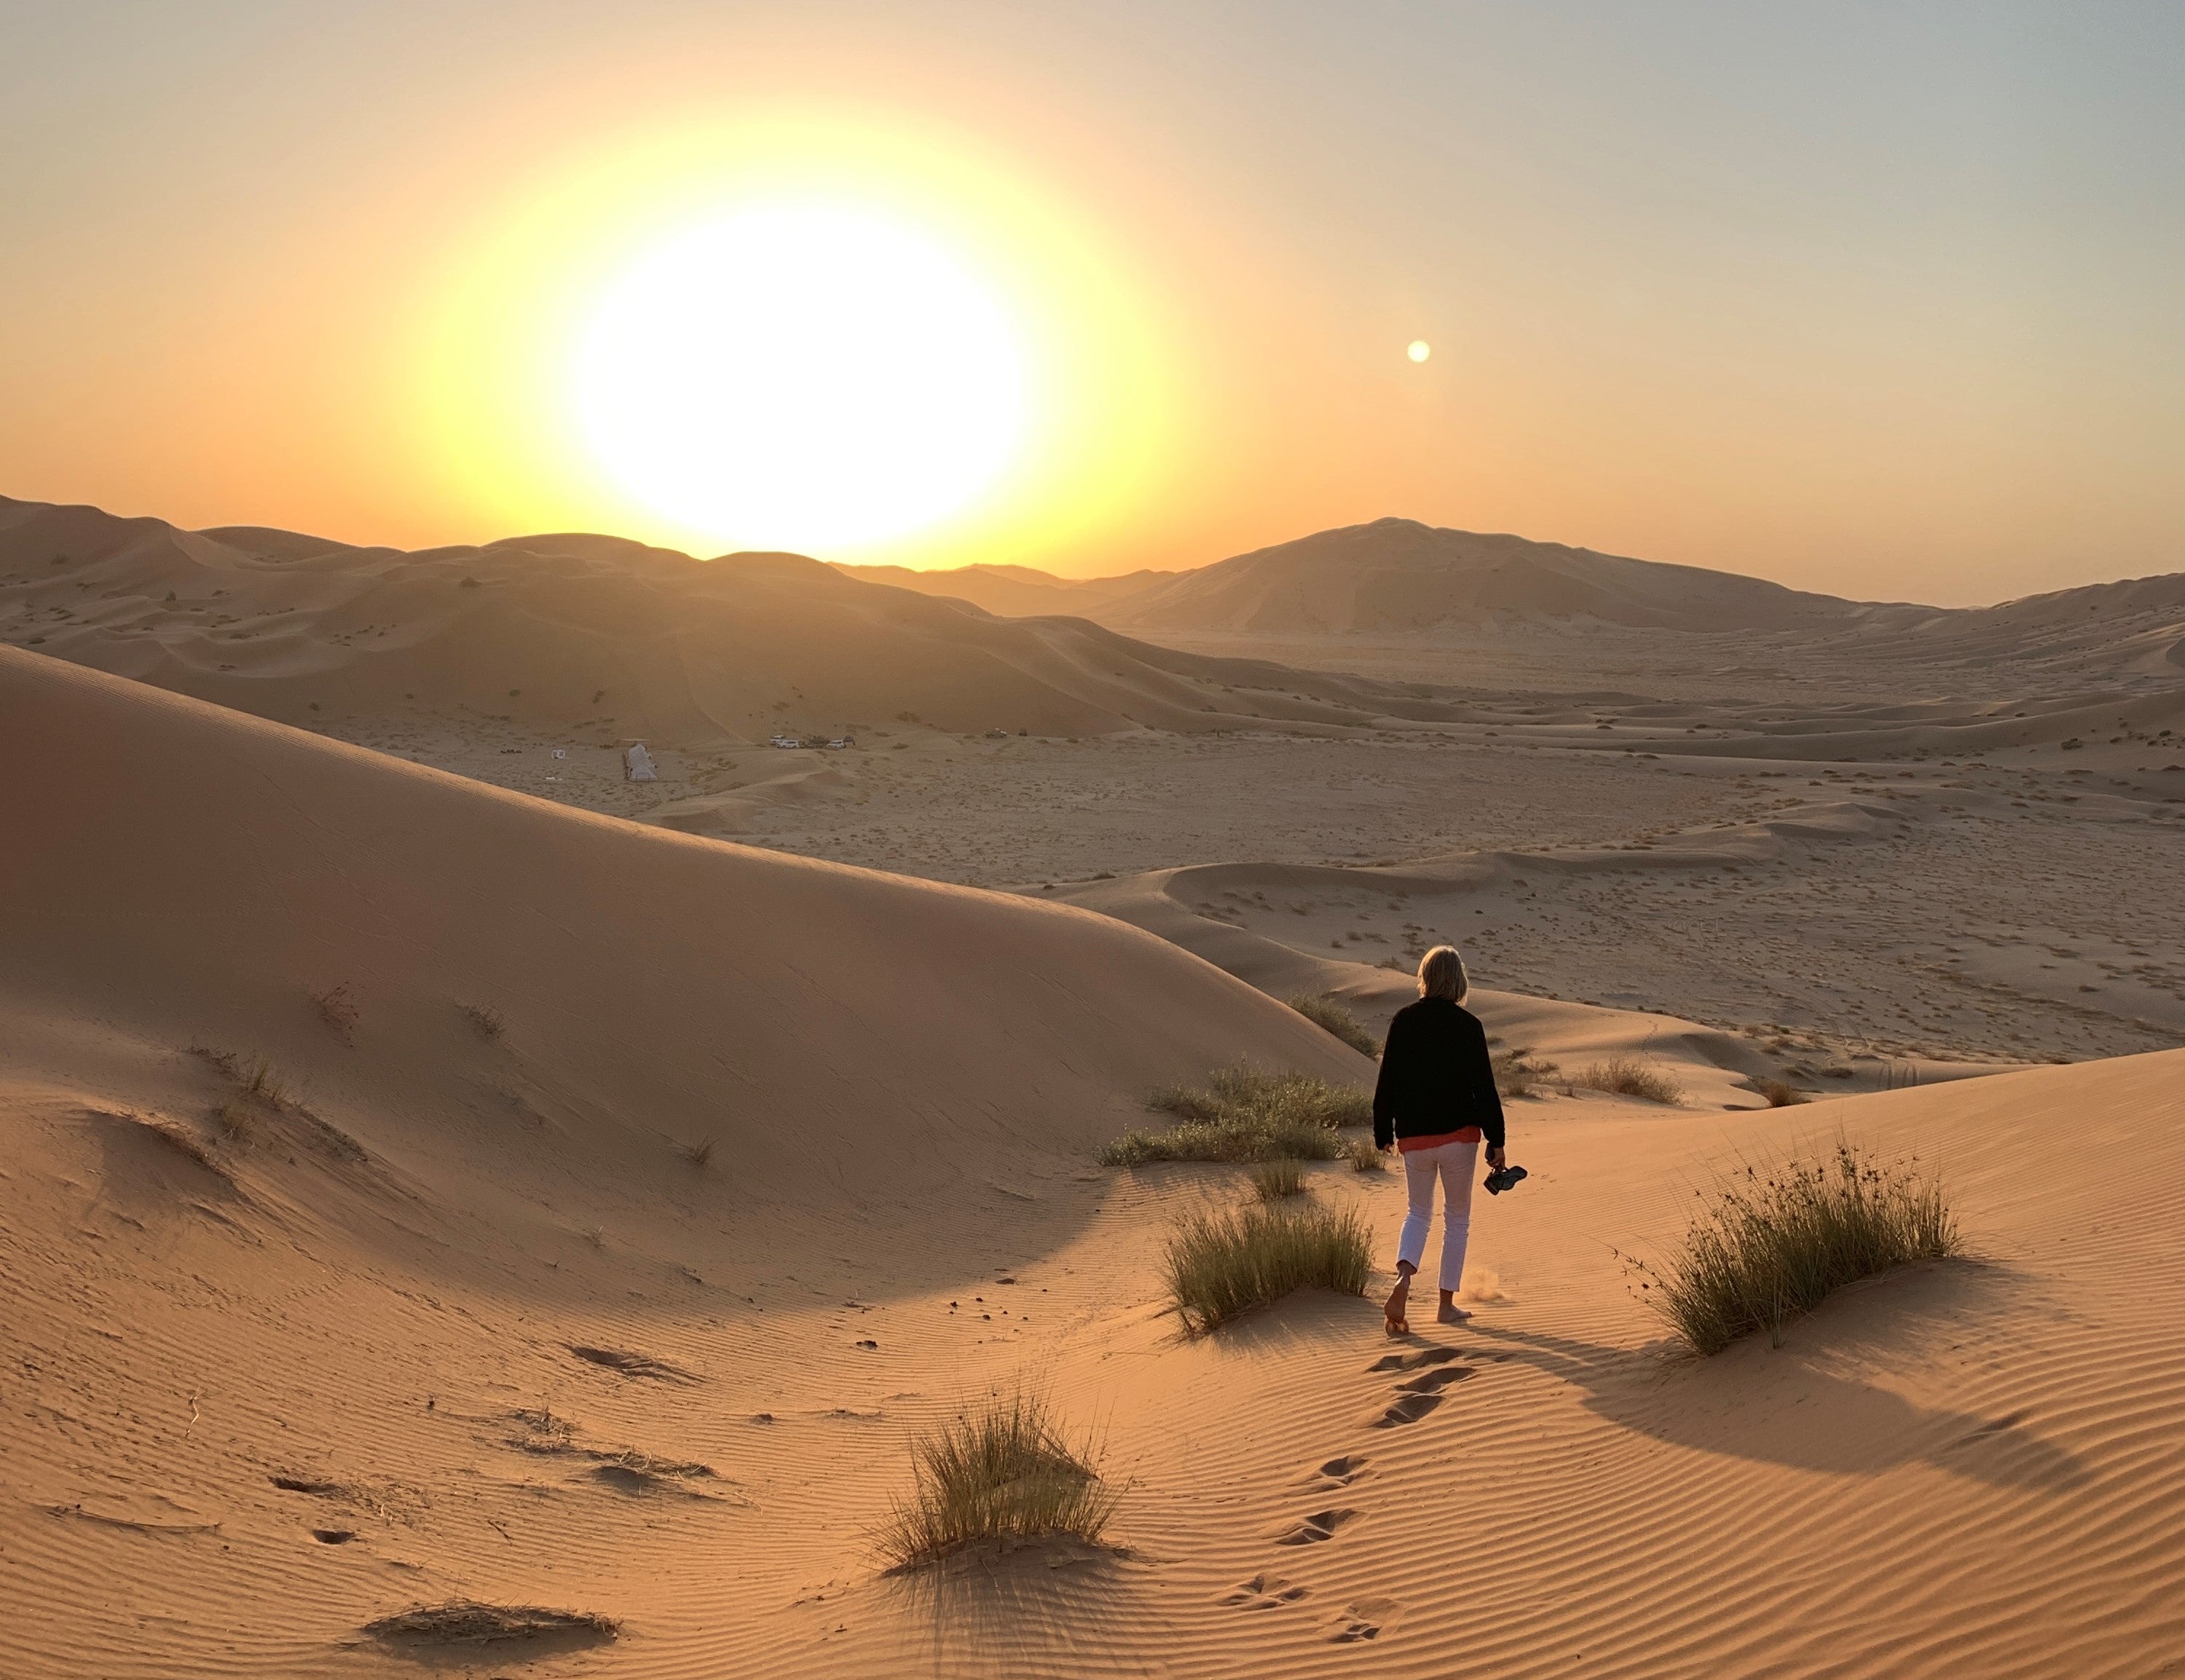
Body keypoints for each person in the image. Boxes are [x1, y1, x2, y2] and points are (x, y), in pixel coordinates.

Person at [1373, 944, 1505, 1336]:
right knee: (1457, 1219)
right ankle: (1446, 1306)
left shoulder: (1403, 1021)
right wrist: (1497, 1141)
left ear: (1425, 978)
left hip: (1413, 1138)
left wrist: (1383, 1131)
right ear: (1459, 980)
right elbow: (1485, 1088)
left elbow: (1388, 1081)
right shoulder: (1469, 1026)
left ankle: (1404, 1279)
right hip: (1459, 1138)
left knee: (1418, 1213)